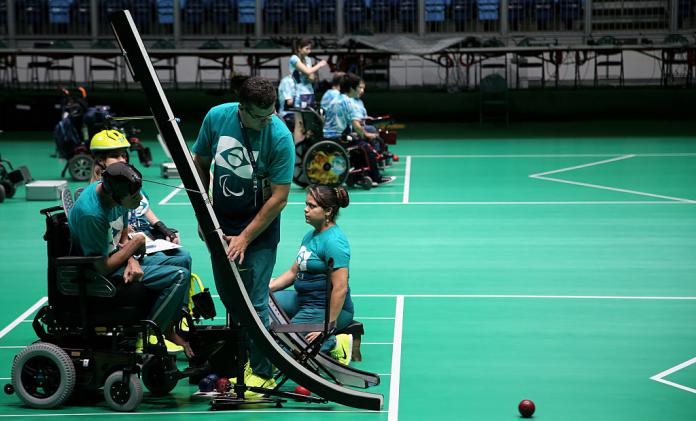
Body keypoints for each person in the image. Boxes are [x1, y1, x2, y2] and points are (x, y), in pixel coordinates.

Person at [191, 76, 295, 394]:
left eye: (271, 114)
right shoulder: (217, 118)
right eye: (260, 116)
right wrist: (204, 212)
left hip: (260, 229)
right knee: (230, 298)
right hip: (221, 227)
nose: (267, 122)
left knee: (257, 303)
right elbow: (199, 164)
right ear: (242, 108)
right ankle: (243, 356)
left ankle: (261, 372)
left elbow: (279, 197)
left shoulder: (279, 137)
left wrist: (246, 237)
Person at [68, 162, 192, 356]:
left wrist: (132, 258)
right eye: (134, 196)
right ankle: (152, 333)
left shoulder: (115, 196)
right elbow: (103, 268)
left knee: (183, 257)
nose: (140, 199)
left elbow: (123, 231)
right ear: (115, 196)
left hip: (118, 256)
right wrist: (135, 245)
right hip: (100, 275)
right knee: (179, 275)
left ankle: (170, 323)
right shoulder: (92, 215)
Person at [269, 185, 354, 365]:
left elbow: (340, 288)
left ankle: (336, 343)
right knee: (262, 304)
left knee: (283, 352)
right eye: (306, 204)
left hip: (324, 309)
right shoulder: (310, 236)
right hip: (303, 300)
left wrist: (328, 326)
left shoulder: (335, 242)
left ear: (328, 211)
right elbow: (293, 273)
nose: (306, 210)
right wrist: (266, 288)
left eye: (312, 206)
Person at [323, 73, 395, 186]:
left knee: (358, 144)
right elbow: (356, 126)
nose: (360, 90)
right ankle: (376, 177)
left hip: (330, 136)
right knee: (367, 147)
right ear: (352, 88)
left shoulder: (337, 98)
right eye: (358, 87)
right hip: (338, 138)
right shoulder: (348, 102)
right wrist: (366, 135)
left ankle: (358, 177)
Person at [289, 39, 327, 109]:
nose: (309, 51)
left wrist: (311, 76)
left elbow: (311, 77)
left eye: (310, 49)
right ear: (299, 48)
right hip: (298, 94)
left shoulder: (308, 59)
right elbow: (308, 71)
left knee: (309, 118)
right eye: (307, 49)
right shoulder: (294, 58)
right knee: (299, 118)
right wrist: (320, 65)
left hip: (309, 92)